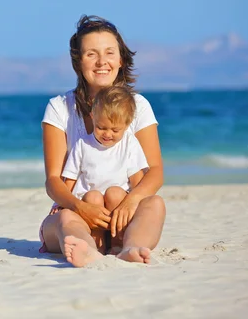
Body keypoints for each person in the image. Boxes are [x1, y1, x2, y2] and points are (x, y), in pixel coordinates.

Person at [39, 15, 166, 267]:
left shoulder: (139, 107)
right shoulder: (59, 108)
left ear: (121, 59)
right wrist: (77, 206)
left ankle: (129, 248)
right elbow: (54, 180)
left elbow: (155, 172)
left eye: (109, 52)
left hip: (121, 211)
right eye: (91, 54)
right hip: (76, 212)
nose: (101, 62)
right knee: (65, 220)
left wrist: (131, 201)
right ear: (78, 62)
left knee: (156, 204)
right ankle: (86, 249)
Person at [62, 85, 150, 254]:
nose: (108, 134)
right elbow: (70, 177)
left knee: (115, 193)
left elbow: (137, 178)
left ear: (127, 124)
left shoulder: (129, 143)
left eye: (115, 130)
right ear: (92, 116)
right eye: (101, 127)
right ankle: (97, 243)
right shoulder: (83, 144)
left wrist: (137, 201)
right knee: (93, 196)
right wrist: (62, 202)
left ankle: (117, 241)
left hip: (118, 205)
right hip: (91, 206)